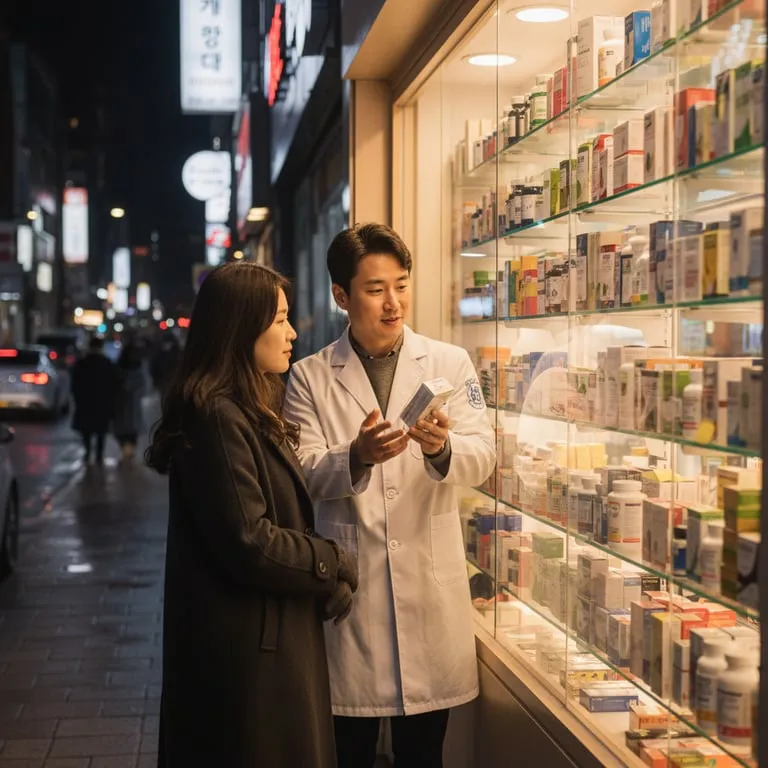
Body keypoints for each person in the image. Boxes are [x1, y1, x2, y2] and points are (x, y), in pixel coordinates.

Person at [284, 223, 496, 768]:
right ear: (341, 296)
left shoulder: (449, 363)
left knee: (424, 753)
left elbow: (483, 456)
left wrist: (441, 449)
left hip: (429, 589)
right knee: (347, 749)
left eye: (401, 285)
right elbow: (299, 472)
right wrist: (355, 456)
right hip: (352, 599)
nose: (393, 302)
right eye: (376, 289)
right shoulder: (309, 377)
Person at [145, 262, 358, 768]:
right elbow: (251, 539)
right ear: (240, 326)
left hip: (261, 643)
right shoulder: (219, 415)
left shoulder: (244, 407)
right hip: (247, 660)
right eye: (279, 319)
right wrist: (331, 561)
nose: (292, 332)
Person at [71, 336, 117, 465]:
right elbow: (114, 384)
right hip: (102, 402)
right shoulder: (106, 363)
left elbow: (75, 384)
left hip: (86, 402)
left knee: (87, 431)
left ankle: (87, 453)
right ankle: (99, 455)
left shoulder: (82, 363)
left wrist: (78, 398)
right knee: (101, 431)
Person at [113, 339, 145, 461]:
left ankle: (127, 452)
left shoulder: (120, 369)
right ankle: (128, 452)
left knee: (125, 430)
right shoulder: (136, 369)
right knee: (129, 430)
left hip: (124, 404)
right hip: (129, 404)